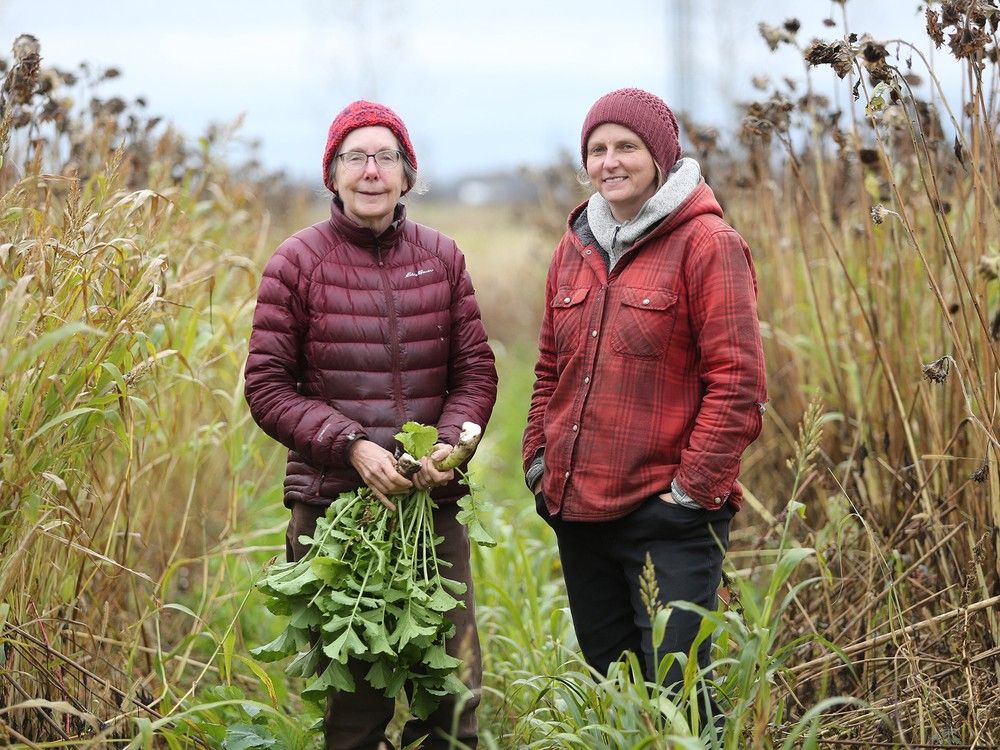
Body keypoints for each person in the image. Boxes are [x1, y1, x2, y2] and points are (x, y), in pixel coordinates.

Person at [245, 100, 498, 750]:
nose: (371, 170)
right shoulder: (295, 264)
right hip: (335, 515)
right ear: (331, 174)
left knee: (453, 699)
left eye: (386, 156)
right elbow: (267, 389)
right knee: (353, 711)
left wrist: (448, 448)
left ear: (407, 175)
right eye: (355, 156)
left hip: (429, 507)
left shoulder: (441, 258)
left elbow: (475, 374)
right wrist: (351, 446)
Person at [522, 88, 767, 731]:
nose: (610, 162)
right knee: (618, 691)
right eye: (597, 150)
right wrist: (537, 463)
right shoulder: (572, 248)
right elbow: (549, 369)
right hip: (579, 510)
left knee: (682, 698)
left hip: (669, 515)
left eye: (626, 146)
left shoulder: (708, 244)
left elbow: (738, 382)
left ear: (660, 156)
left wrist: (688, 495)